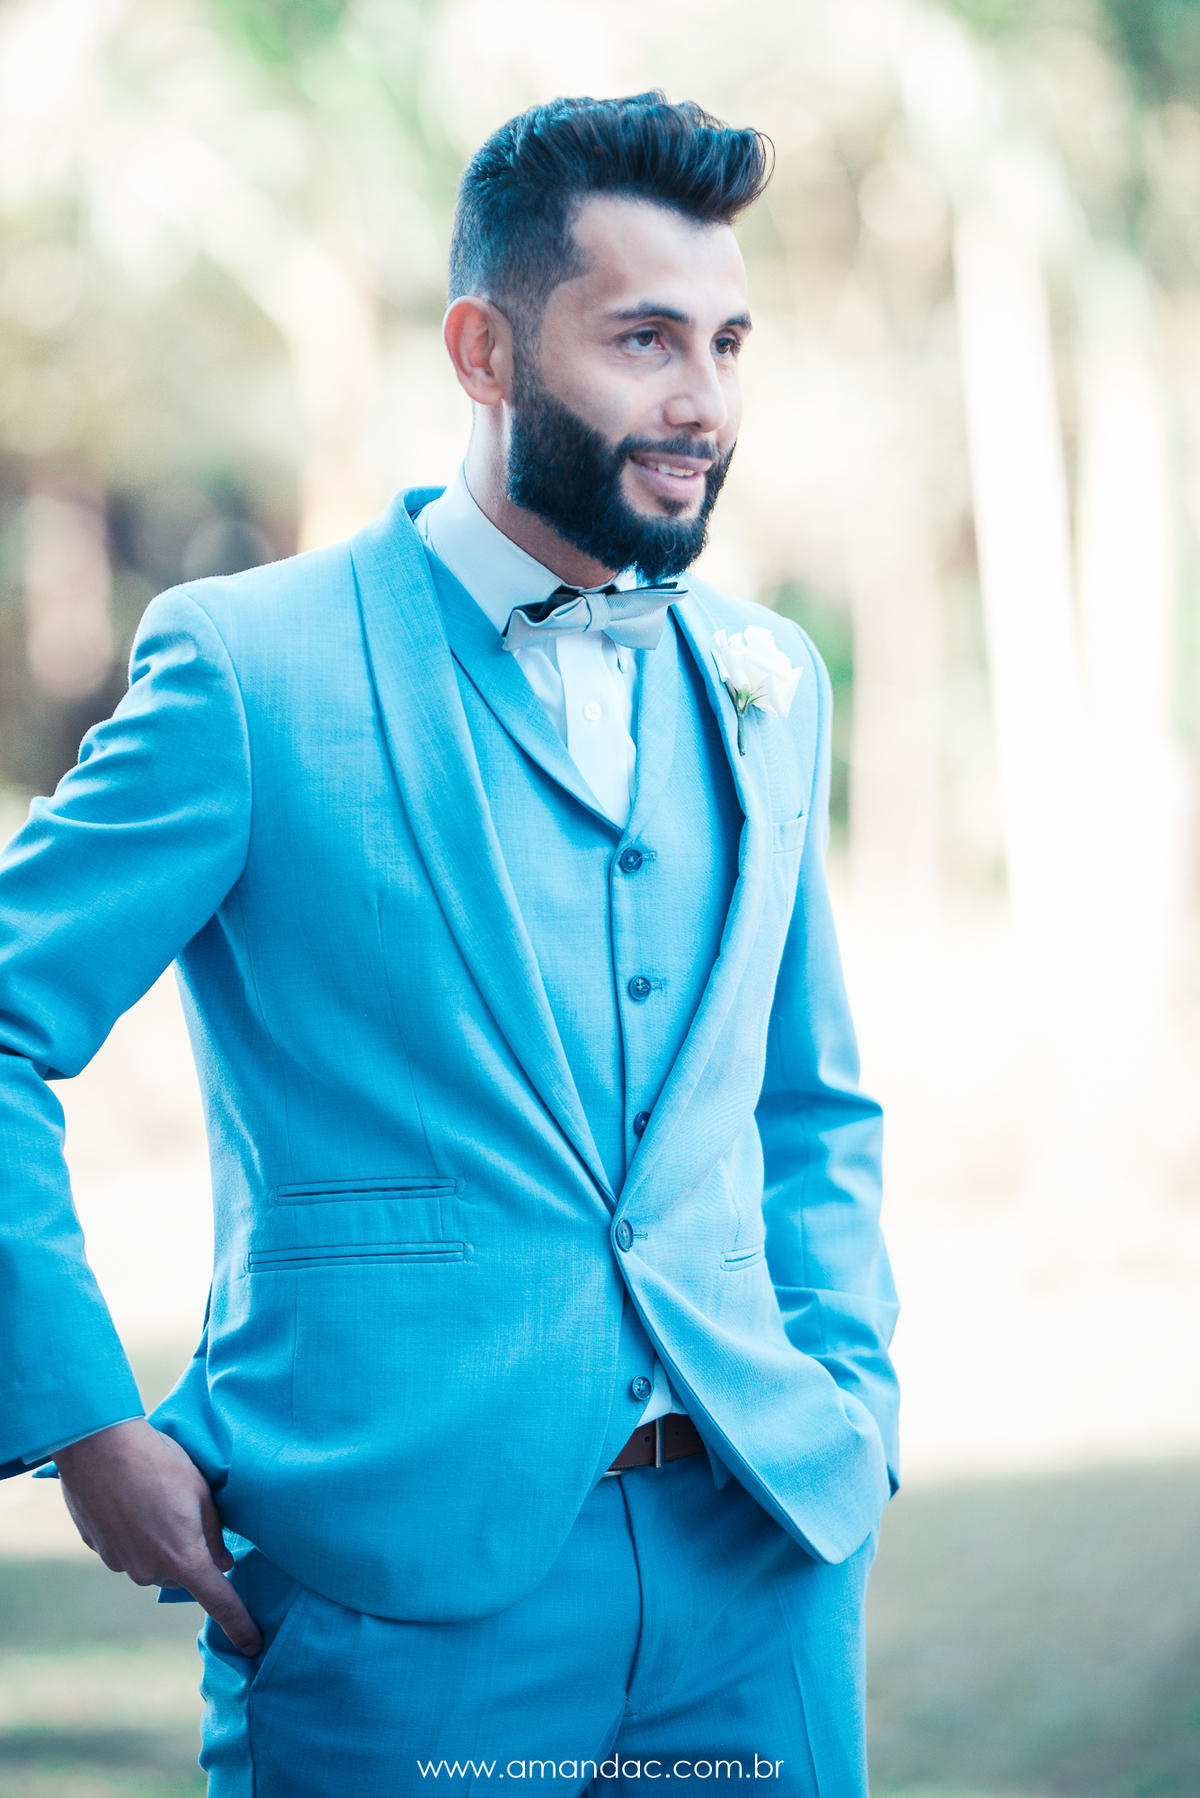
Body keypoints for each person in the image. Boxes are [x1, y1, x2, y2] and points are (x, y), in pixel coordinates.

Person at [0, 93, 899, 1795]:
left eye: (726, 344)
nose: (703, 402)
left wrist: (854, 1409)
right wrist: (80, 1416)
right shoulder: (251, 668)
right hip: (393, 1590)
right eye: (643, 339)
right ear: (483, 351)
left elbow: (809, 1104)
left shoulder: (770, 677)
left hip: (760, 1568)